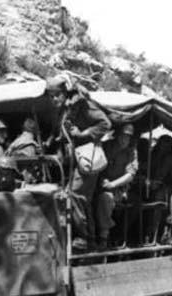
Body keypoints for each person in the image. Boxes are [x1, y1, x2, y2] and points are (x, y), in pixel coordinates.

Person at [45, 75, 112, 251]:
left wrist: (83, 134)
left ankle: (84, 238)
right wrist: (51, 139)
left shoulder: (81, 104)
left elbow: (105, 123)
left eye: (57, 95)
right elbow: (60, 129)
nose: (54, 99)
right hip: (73, 161)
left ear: (65, 93)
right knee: (76, 197)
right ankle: (86, 238)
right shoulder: (63, 110)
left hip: (87, 160)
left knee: (75, 194)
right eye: (51, 96)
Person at [96, 123, 138, 250]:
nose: (125, 140)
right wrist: (103, 180)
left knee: (106, 198)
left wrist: (112, 184)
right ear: (117, 136)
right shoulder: (106, 146)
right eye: (123, 136)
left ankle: (104, 235)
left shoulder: (131, 152)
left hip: (119, 188)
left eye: (128, 137)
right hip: (101, 184)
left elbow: (130, 175)